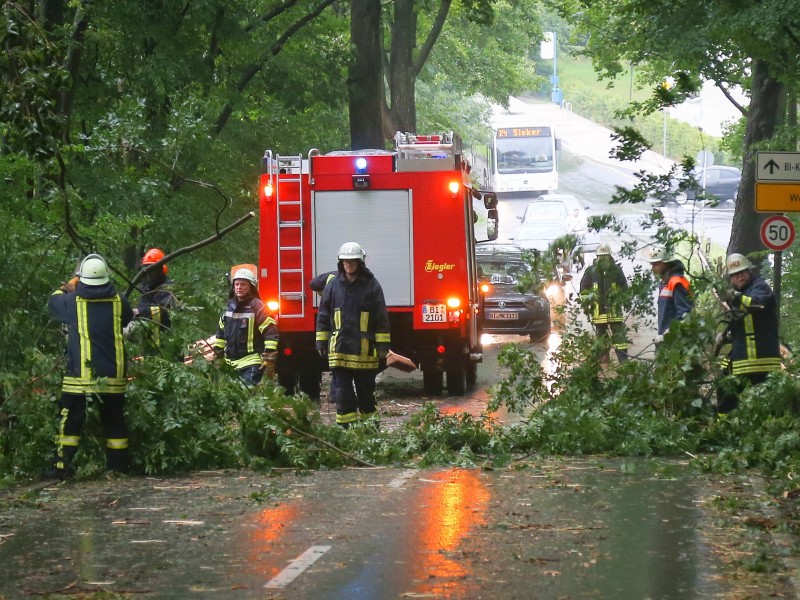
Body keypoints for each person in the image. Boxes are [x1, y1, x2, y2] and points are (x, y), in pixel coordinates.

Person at [45, 253, 134, 479]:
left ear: (82, 278)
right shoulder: (119, 300)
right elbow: (125, 319)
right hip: (114, 375)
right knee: (114, 422)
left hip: (80, 377)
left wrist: (70, 283)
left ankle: (62, 467)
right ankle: (118, 468)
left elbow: (53, 300)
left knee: (71, 421)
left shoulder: (71, 301)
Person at [316, 242, 391, 427]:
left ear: (360, 263)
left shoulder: (372, 286)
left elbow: (381, 317)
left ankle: (370, 432)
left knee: (366, 395)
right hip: (339, 351)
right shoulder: (333, 286)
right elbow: (324, 315)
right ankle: (346, 432)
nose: (348, 265)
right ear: (340, 263)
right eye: (345, 262)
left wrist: (382, 346)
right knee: (343, 395)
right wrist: (321, 342)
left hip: (364, 352)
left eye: (352, 261)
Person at [716, 253, 782, 413]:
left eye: (742, 272)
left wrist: (736, 296)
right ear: (731, 278)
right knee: (723, 385)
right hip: (744, 355)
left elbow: (756, 305)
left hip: (760, 358)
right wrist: (726, 337)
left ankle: (762, 427)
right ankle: (725, 426)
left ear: (749, 271)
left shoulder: (760, 287)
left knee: (763, 401)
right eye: (735, 274)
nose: (740, 276)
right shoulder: (739, 293)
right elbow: (743, 323)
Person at [213, 264, 279, 386]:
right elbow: (220, 334)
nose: (239, 287)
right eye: (237, 284)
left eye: (243, 284)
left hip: (251, 363)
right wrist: (218, 356)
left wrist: (269, 357)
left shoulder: (259, 308)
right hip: (229, 364)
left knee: (245, 397)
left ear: (251, 287)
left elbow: (271, 333)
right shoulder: (228, 307)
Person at [579, 243, 629, 363]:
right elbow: (584, 289)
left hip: (614, 312)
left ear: (609, 257)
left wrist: (625, 302)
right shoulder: (591, 271)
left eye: (605, 257)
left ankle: (624, 362)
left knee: (620, 339)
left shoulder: (616, 270)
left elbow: (624, 288)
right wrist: (586, 306)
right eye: (601, 257)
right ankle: (604, 360)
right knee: (601, 337)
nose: (603, 260)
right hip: (599, 312)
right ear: (596, 257)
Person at [130, 248, 176, 355]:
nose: (149, 274)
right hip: (149, 344)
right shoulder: (146, 289)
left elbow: (164, 312)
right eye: (147, 269)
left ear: (161, 269)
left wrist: (139, 312)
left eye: (152, 270)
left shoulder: (168, 289)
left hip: (166, 346)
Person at [647, 246, 693, 341]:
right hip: (665, 340)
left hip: (676, 342)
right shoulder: (665, 282)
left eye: (656, 265)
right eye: (652, 265)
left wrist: (669, 334)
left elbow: (685, 316)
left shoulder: (677, 283)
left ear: (666, 264)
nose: (653, 269)